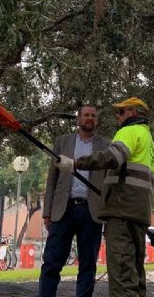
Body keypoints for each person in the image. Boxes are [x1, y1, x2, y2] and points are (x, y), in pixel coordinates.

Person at [56, 97, 154, 297]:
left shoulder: (129, 132)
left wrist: (75, 164)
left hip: (121, 213)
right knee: (136, 272)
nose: (118, 117)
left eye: (121, 112)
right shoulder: (150, 143)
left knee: (121, 272)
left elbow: (111, 157)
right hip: (140, 214)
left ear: (132, 113)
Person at [39, 105, 109, 297]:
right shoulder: (62, 142)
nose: (90, 118)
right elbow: (52, 179)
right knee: (52, 262)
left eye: (93, 116)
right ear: (78, 119)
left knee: (88, 264)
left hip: (91, 212)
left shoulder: (105, 145)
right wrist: (47, 212)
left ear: (97, 120)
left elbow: (108, 183)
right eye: (86, 115)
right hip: (63, 210)